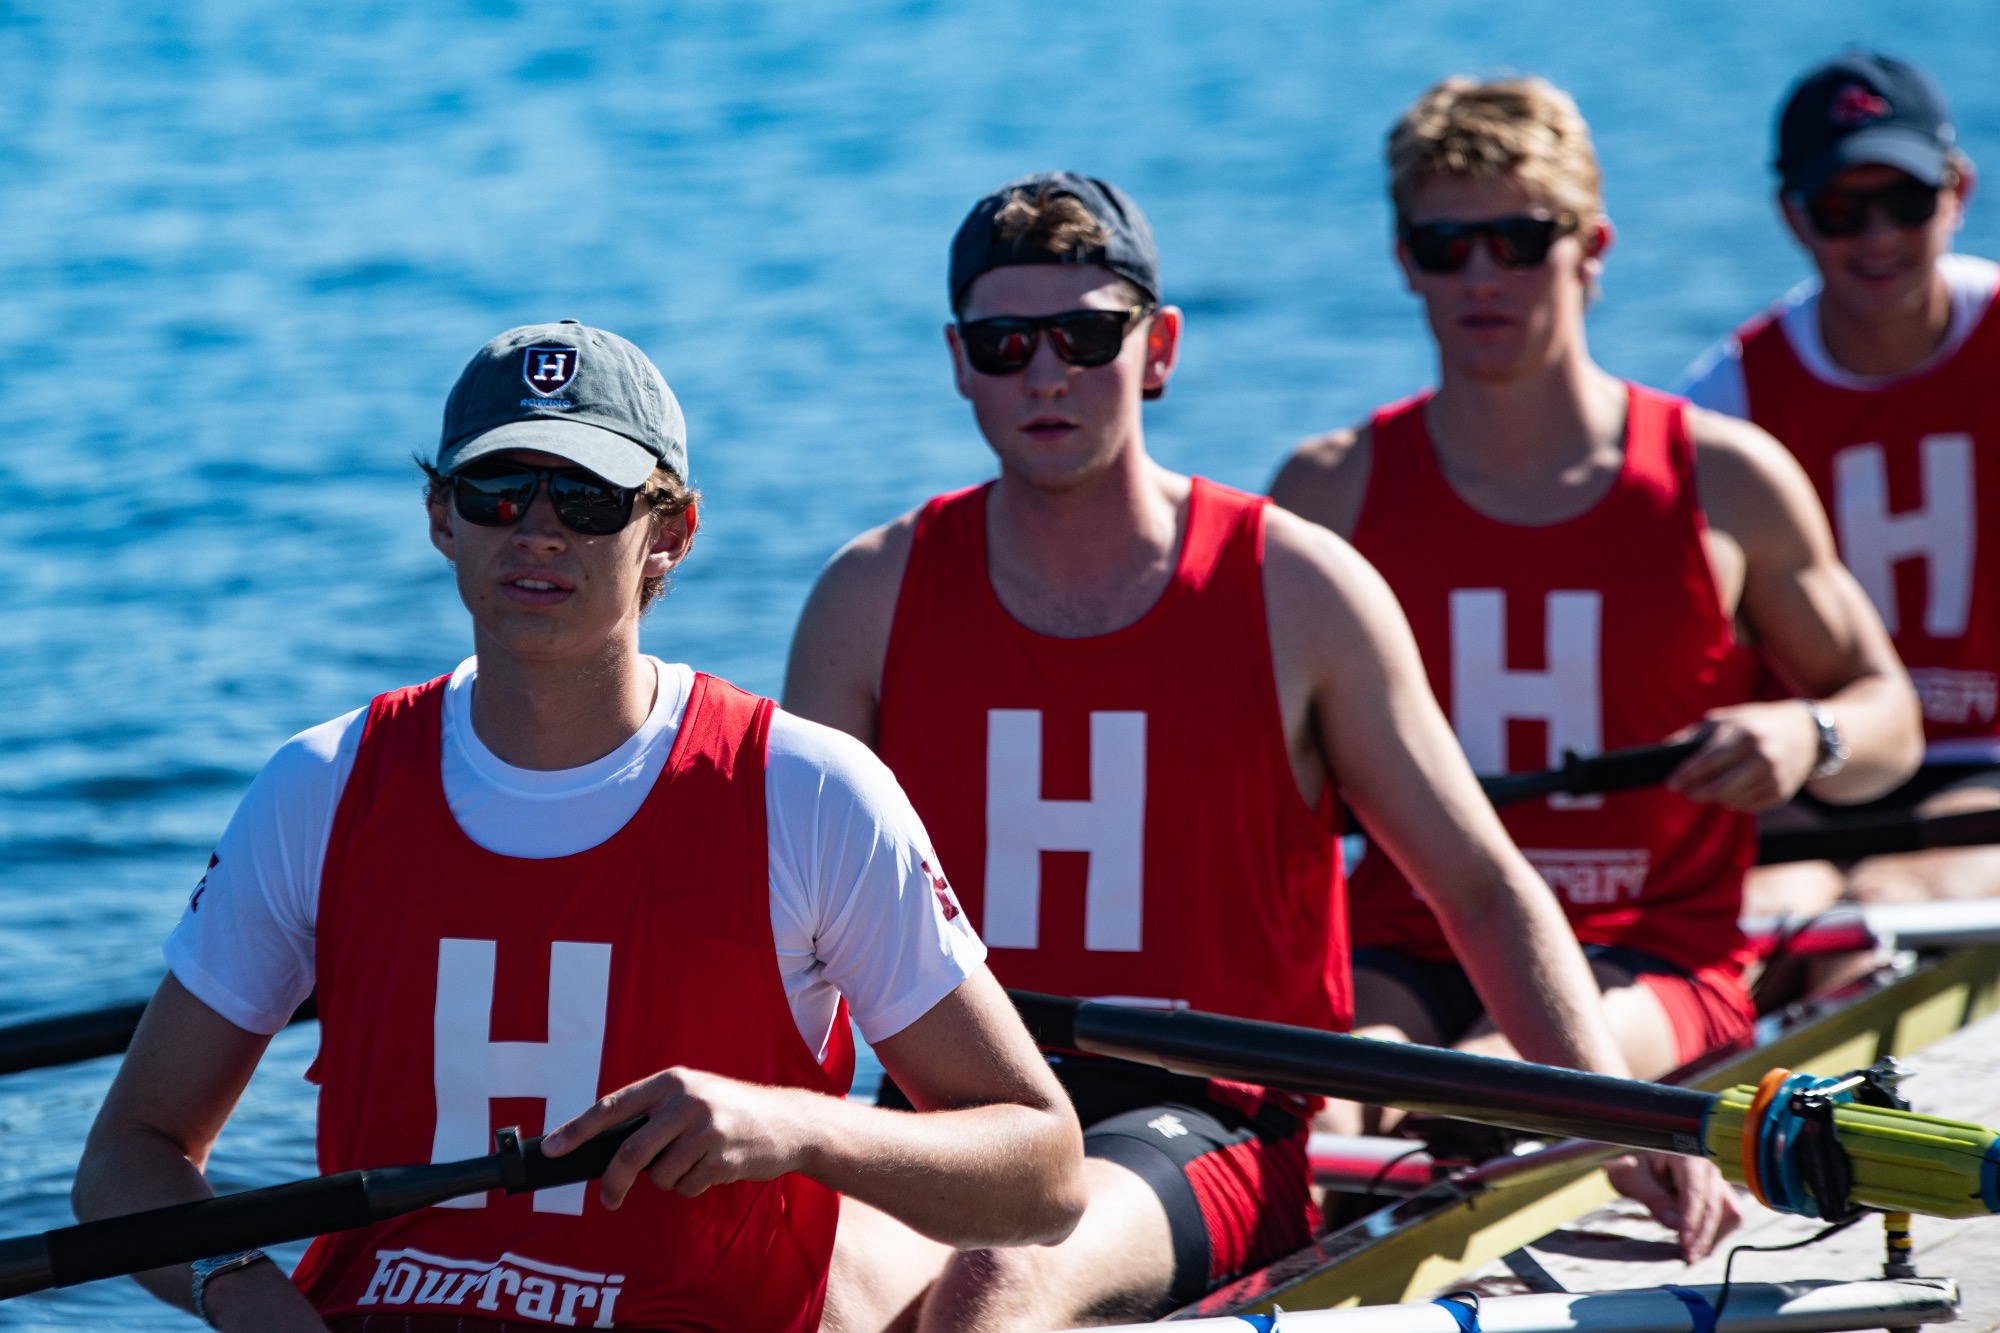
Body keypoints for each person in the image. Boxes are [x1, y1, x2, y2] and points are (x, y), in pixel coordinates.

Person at [783, 172, 1737, 1333]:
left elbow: (1480, 891)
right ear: (957, 361)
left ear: (1158, 348)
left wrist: (1617, 1114)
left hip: (1215, 1117)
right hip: (963, 1114)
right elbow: (782, 936)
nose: (1044, 375)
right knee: (794, 1288)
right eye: (1004, 344)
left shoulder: (1296, 588)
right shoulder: (866, 597)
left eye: (1085, 337)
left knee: (1001, 1279)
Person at [71, 322, 1085, 1333]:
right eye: (497, 491)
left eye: (590, 498)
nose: (538, 532)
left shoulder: (807, 792)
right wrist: (252, 1301)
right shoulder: (319, 786)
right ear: (441, 517)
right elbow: (131, 1151)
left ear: (672, 532)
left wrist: (795, 1128)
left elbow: (1042, 1174)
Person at [1272, 77, 1921, 1087]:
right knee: (1333, 1090)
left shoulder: (1725, 479)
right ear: (1405, 261)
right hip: (1407, 941)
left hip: (1649, 946)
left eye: (1519, 241)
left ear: (1592, 248)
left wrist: (1807, 734)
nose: (1482, 277)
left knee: (1495, 1080)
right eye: (1446, 246)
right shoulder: (1327, 490)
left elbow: (1889, 717)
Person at [1680, 51, 2000, 911]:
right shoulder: (1728, 398)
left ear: (1959, 192)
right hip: (1806, 775)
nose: (1878, 237)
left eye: (1906, 202)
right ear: (1792, 216)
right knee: (1770, 917)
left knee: (1884, 904)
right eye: (1841, 210)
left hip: (1987, 770)